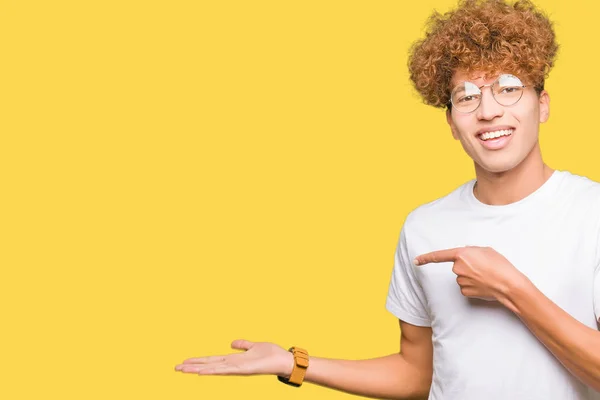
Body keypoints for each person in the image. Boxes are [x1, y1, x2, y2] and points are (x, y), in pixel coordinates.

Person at [175, 0, 600, 398]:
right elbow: (416, 373)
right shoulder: (424, 227)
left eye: (508, 89)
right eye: (467, 96)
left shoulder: (591, 213)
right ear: (452, 122)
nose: (487, 110)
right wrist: (293, 363)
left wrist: (511, 289)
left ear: (541, 104)